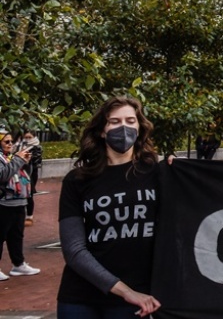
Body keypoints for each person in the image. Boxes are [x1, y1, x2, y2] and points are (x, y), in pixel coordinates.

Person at [57, 96, 161, 318]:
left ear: (140, 128)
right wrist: (125, 291)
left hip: (135, 300)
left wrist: (181, 171)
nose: (123, 127)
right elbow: (74, 250)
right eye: (114, 122)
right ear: (102, 130)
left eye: (130, 121)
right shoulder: (77, 180)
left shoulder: (158, 174)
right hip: (81, 297)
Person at [1, 129, 39, 281]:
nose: (10, 144)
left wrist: (25, 162)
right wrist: (17, 159)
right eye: (6, 142)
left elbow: (25, 176)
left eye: (11, 141)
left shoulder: (11, 157)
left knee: (16, 236)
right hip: (3, 203)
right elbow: (3, 175)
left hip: (19, 201)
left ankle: (18, 264)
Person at [15, 130, 42, 227]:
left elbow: (36, 160)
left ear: (34, 137)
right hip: (19, 172)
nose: (27, 139)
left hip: (30, 173)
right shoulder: (20, 145)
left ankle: (29, 216)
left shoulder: (36, 146)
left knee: (29, 195)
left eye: (29, 137)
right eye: (25, 137)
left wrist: (26, 158)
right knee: (19, 192)